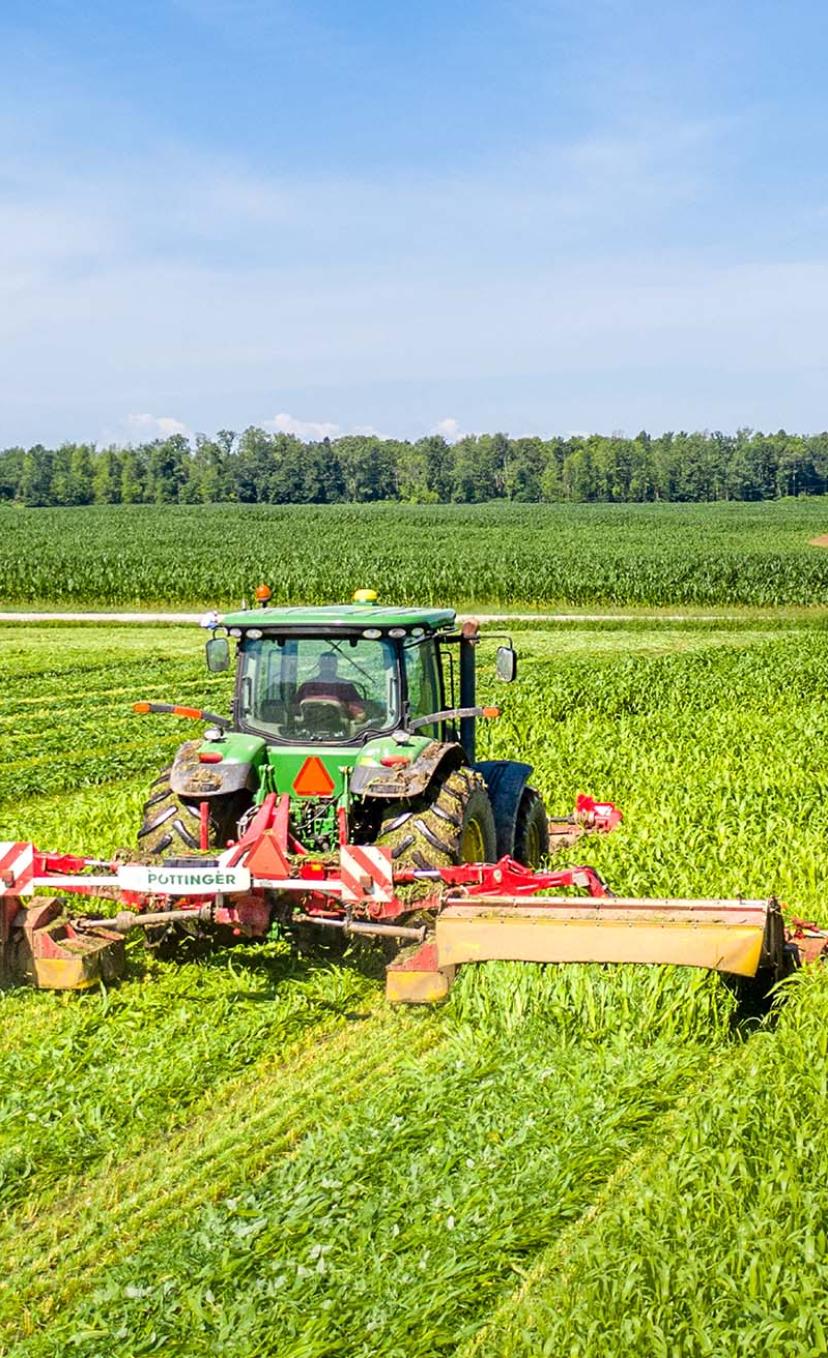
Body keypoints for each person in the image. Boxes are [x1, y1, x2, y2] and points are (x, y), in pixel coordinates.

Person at [296, 652, 366, 720]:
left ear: (320, 665)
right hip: (339, 728)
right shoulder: (346, 686)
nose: (328, 667)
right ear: (336, 666)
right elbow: (359, 712)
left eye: (329, 665)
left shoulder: (306, 686)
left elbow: (294, 710)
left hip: (309, 728)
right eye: (327, 665)